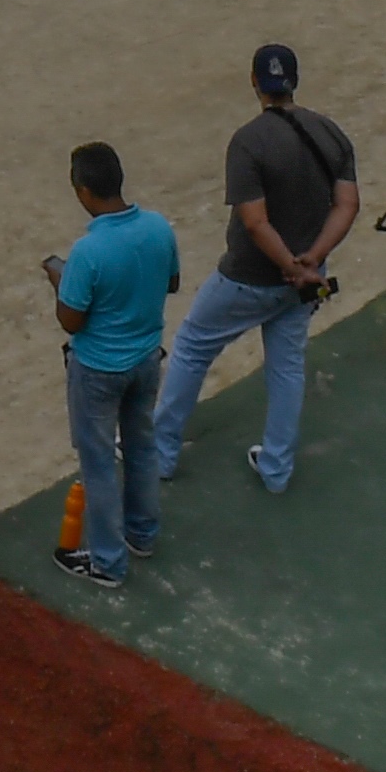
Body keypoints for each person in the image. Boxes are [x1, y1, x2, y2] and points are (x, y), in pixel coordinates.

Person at [144, 45, 357, 498]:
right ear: (295, 80)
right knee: (286, 367)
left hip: (250, 276)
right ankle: (276, 468)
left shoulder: (248, 141)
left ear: (254, 83)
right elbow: (347, 205)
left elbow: (255, 222)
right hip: (304, 283)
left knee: (192, 348)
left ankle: (160, 456)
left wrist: (288, 265)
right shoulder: (331, 133)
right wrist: (311, 262)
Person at [44, 142, 178, 586]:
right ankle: (143, 534)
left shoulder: (87, 252)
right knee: (141, 446)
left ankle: (106, 562)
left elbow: (71, 321)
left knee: (99, 462)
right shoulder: (159, 228)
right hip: (145, 360)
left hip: (98, 369)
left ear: (83, 191)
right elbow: (172, 281)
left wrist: (61, 282)